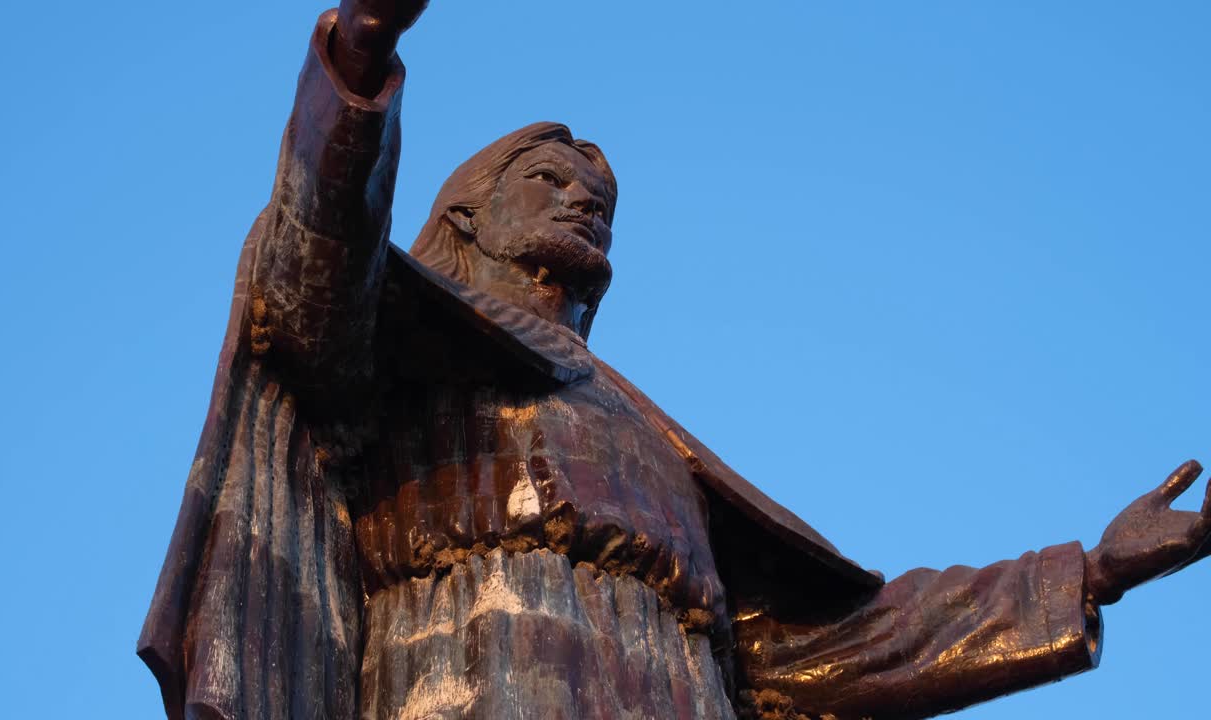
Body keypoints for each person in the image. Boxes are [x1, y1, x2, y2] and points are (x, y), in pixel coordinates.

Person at [139, 3, 1211, 718]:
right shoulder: (400, 341)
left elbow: (836, 645)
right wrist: (356, 58)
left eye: (597, 200)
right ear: (461, 211)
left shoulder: (641, 436)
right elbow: (312, 264)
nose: (581, 199)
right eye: (547, 179)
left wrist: (1089, 574)